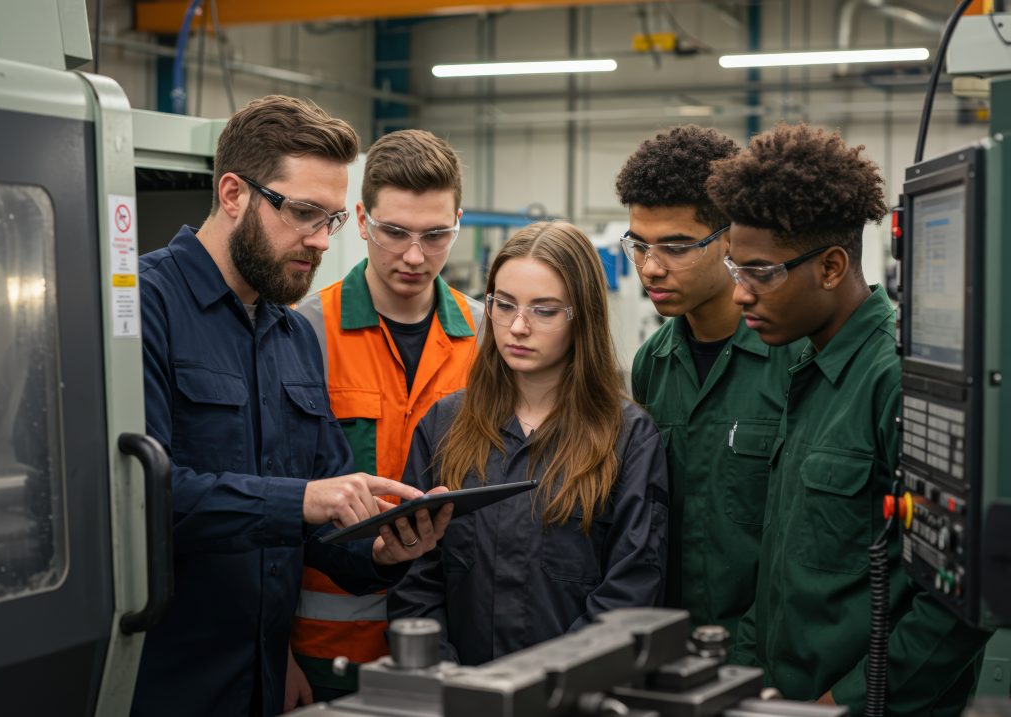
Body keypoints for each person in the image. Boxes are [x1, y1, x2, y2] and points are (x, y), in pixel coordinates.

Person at [133, 95, 451, 717]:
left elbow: (322, 517)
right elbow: (139, 504)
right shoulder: (143, 309)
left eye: (332, 219)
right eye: (304, 213)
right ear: (233, 194)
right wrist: (302, 500)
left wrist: (382, 550)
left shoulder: (293, 334)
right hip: (166, 681)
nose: (322, 241)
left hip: (265, 677)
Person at [707, 122, 992, 715]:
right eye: (736, 271)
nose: (740, 295)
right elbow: (781, 562)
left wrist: (847, 703)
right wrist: (749, 677)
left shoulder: (897, 380)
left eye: (760, 273)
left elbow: (956, 603)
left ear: (832, 268)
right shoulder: (805, 364)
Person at [387, 221, 669, 665]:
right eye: (504, 305)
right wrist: (450, 682)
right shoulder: (444, 427)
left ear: (582, 318)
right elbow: (415, 582)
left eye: (544, 310)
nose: (517, 327)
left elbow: (629, 595)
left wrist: (538, 687)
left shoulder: (627, 438)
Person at [289, 129, 481, 702]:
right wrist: (274, 651)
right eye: (395, 232)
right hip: (331, 650)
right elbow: (273, 501)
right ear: (362, 219)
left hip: (456, 640)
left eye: (436, 234)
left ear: (458, 223)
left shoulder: (488, 338)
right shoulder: (304, 332)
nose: (415, 256)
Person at [616, 125, 800, 639]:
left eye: (676, 247)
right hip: (676, 647)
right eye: (639, 246)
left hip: (771, 655)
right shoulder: (654, 362)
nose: (650, 269)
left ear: (729, 240)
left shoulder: (795, 359)